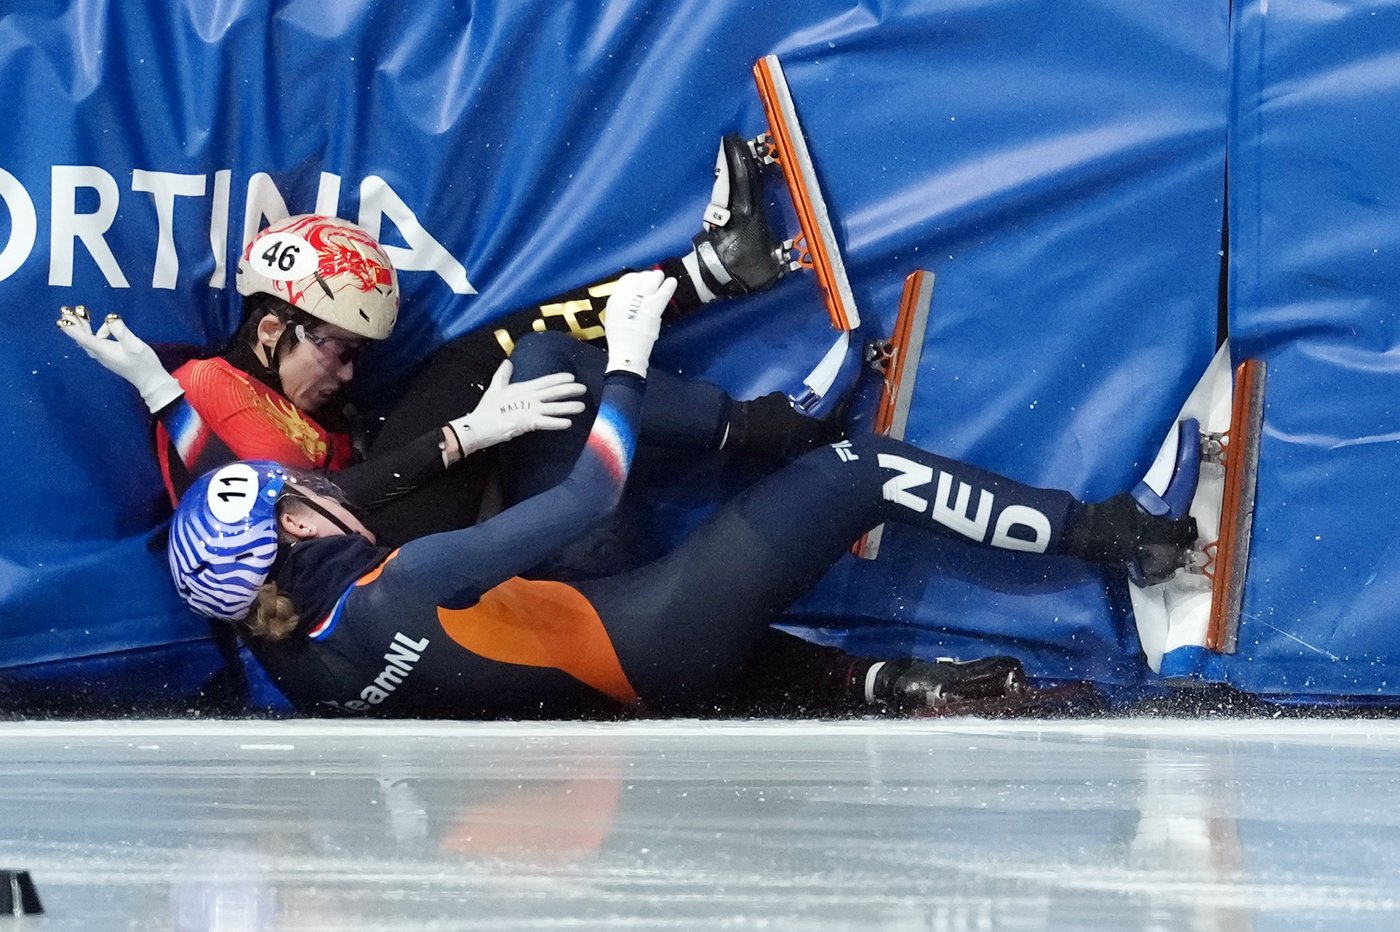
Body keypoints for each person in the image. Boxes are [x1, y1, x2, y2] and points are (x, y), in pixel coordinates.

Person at [168, 271, 1199, 719]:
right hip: (646, 636)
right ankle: (1120, 534)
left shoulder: (284, 656)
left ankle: (768, 425)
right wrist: (626, 356)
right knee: (863, 470)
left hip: (579, 631)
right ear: (295, 524)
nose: (327, 489)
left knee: (539, 369)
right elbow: (587, 497)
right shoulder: (397, 583)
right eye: (304, 490)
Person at [58, 135, 834, 547]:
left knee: (489, 363)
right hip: (360, 578)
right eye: (338, 349)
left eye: (356, 356)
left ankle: (716, 279)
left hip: (379, 548)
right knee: (478, 363)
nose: (347, 373)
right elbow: (311, 507)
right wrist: (465, 436)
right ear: (270, 329)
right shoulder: (209, 392)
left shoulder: (265, 397)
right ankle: (719, 292)